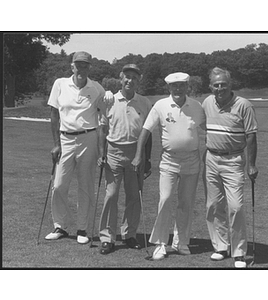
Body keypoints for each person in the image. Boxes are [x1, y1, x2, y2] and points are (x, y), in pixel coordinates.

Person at [132, 72, 206, 260]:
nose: (178, 89)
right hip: (169, 160)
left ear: (187, 86)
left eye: (182, 85)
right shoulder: (160, 106)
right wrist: (139, 156)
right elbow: (146, 131)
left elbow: (208, 128)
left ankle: (181, 242)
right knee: (165, 200)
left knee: (186, 203)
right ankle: (160, 243)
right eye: (174, 86)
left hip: (192, 161)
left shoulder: (196, 106)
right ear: (169, 88)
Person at [45, 51, 112, 244]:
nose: (81, 68)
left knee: (86, 186)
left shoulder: (96, 87)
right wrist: (56, 143)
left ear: (89, 67)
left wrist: (108, 94)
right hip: (65, 139)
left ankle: (82, 229)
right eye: (78, 65)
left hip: (88, 139)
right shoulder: (60, 84)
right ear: (72, 66)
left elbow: (106, 107)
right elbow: (54, 115)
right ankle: (60, 226)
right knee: (59, 185)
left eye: (85, 65)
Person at [202, 67, 258, 268]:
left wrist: (251, 164)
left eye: (223, 84)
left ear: (230, 84)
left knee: (236, 206)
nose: (219, 88)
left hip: (233, 160)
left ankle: (239, 251)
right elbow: (204, 127)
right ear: (210, 86)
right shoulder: (207, 102)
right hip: (211, 159)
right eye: (216, 85)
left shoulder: (244, 105)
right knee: (214, 205)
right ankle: (221, 246)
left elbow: (251, 135)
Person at [98, 64, 152, 255]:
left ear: (139, 81)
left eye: (134, 77)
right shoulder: (110, 100)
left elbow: (148, 133)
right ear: (121, 78)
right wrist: (101, 153)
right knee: (111, 195)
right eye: (127, 76)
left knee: (134, 196)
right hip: (113, 152)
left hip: (136, 153)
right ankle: (107, 237)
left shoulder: (144, 102)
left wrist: (147, 159)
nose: (130, 80)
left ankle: (129, 234)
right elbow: (103, 129)